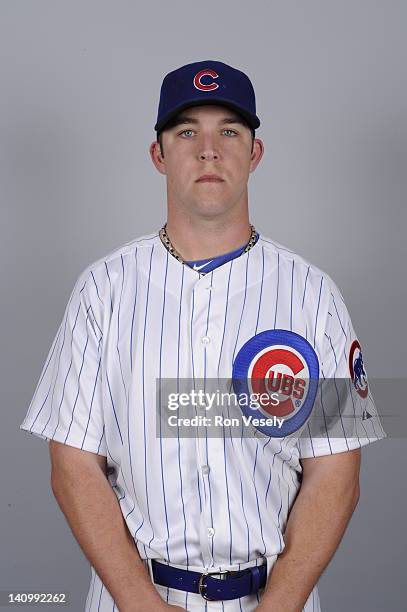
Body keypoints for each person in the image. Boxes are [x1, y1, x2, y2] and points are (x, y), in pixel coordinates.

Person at [20, 60, 386, 612]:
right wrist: (138, 602)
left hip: (275, 597)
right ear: (158, 154)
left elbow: (337, 473)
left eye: (230, 131)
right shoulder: (103, 289)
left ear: (255, 154)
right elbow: (72, 463)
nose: (208, 150)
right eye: (187, 130)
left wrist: (280, 605)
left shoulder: (313, 294)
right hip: (134, 595)